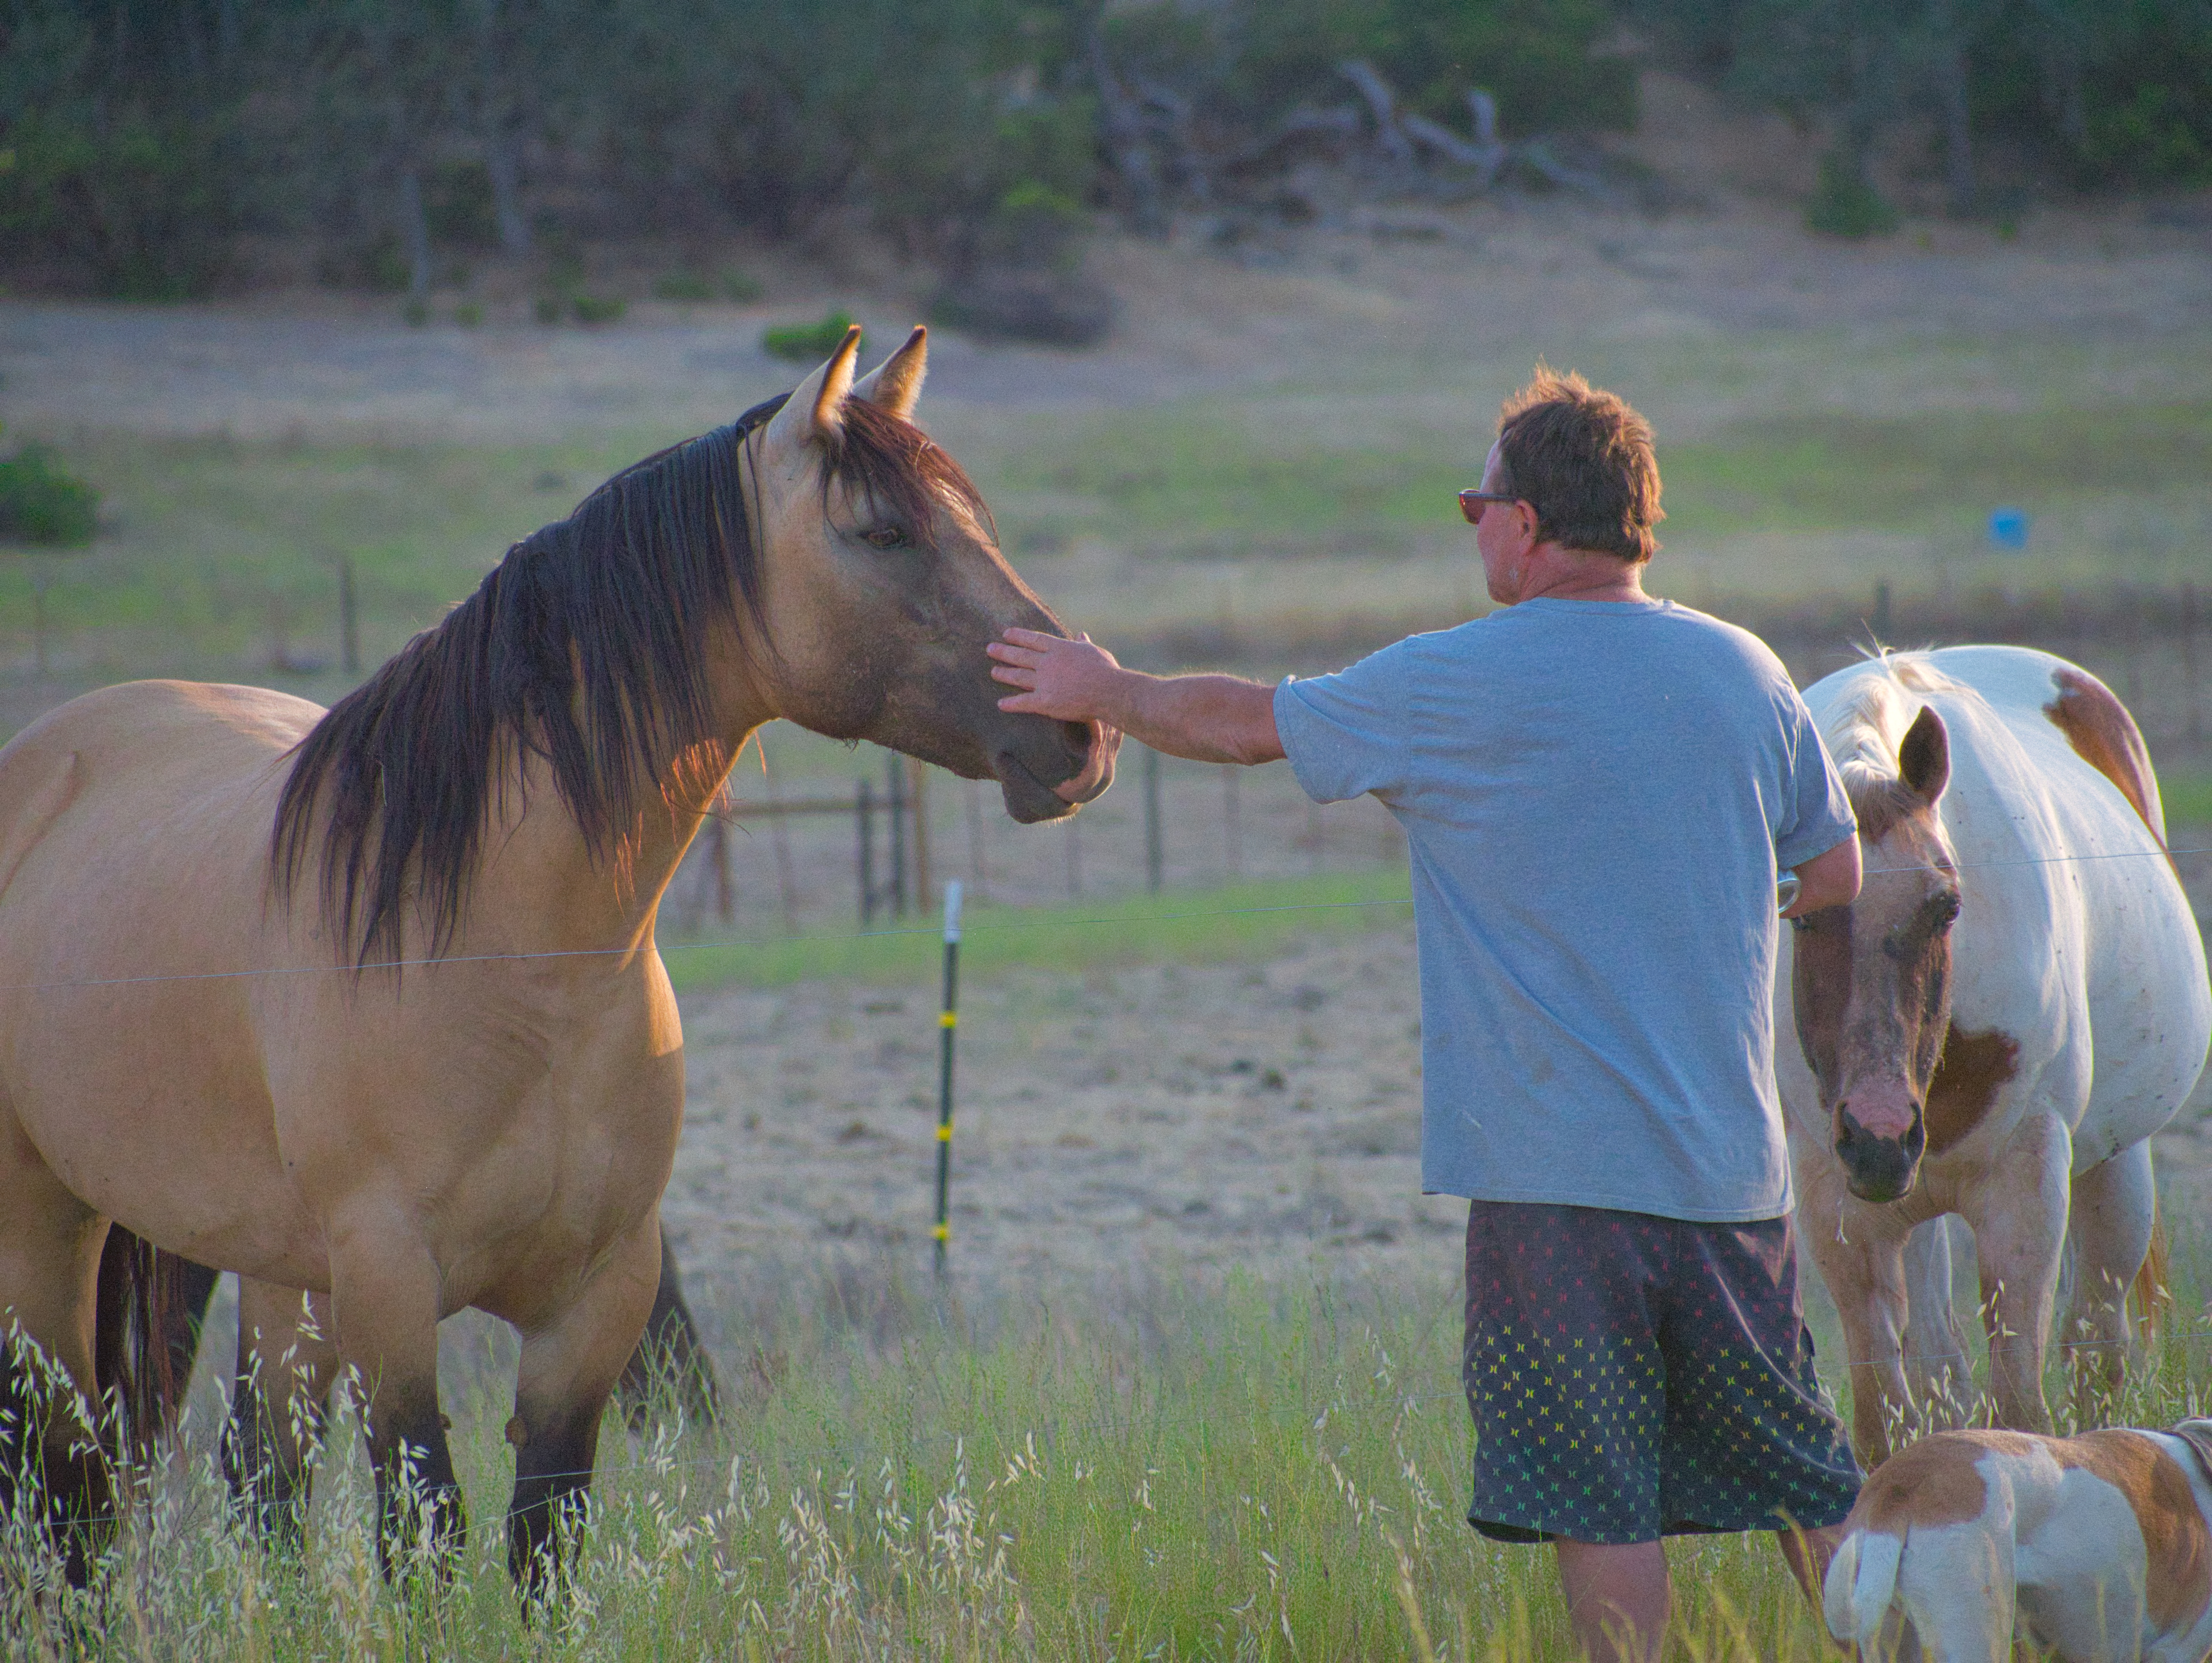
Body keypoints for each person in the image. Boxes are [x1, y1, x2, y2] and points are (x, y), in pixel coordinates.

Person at [988, 369, 1865, 1663]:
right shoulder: (1747, 673)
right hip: (1735, 1180)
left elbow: (1245, 729)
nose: (1472, 526)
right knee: (1809, 1484)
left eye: (1476, 502)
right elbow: (1838, 874)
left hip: (1554, 1185)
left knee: (1601, 1500)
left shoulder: (1454, 681)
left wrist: (1103, 685)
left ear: (1525, 520)